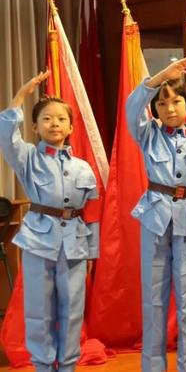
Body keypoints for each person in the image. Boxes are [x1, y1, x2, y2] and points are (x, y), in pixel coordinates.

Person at [126, 57, 186, 372]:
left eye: (176, 101)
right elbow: (131, 107)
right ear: (155, 109)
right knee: (153, 300)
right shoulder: (148, 134)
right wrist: (158, 79)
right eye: (162, 103)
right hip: (155, 220)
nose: (169, 108)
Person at [0, 71, 100, 372]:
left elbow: (92, 213)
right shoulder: (28, 157)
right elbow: (7, 136)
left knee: (71, 310)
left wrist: (92, 250)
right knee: (39, 310)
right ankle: (43, 366)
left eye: (60, 119)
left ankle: (67, 366)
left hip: (75, 243)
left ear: (70, 126)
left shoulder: (83, 168)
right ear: (34, 126)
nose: (53, 124)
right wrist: (20, 96)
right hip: (38, 240)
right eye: (46, 119)